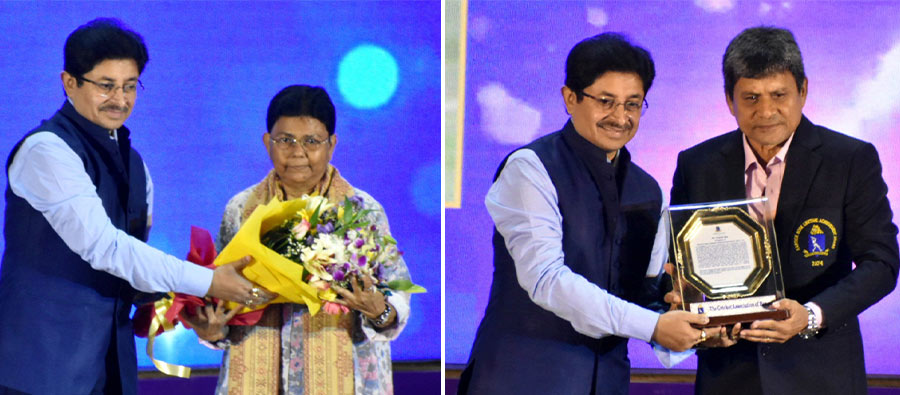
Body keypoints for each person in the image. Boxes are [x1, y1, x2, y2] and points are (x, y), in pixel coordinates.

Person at [0, 18, 266, 395]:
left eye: (129, 86)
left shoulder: (135, 163)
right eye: (106, 86)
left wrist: (190, 310)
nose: (120, 100)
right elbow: (106, 248)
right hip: (40, 366)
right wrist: (209, 281)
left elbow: (131, 270)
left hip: (109, 365)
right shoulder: (46, 150)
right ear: (69, 82)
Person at [457, 33, 709, 395]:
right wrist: (654, 327)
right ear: (570, 98)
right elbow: (547, 281)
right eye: (606, 101)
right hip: (521, 380)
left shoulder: (647, 189)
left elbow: (644, 294)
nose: (620, 117)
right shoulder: (530, 169)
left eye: (633, 104)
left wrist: (693, 318)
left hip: (608, 383)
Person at [669, 26, 899, 394]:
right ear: (730, 100)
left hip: (822, 374)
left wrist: (810, 315)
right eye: (751, 97)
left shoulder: (850, 160)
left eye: (779, 95)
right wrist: (685, 305)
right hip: (727, 375)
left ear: (803, 91)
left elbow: (882, 264)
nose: (766, 111)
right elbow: (678, 266)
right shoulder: (697, 164)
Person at [180, 85, 413, 394]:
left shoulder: (361, 210)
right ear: (267, 142)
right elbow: (223, 301)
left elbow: (397, 295)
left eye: (312, 141)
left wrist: (380, 310)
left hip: (349, 376)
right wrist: (211, 330)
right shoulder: (241, 209)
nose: (298, 152)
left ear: (332, 144)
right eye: (285, 140)